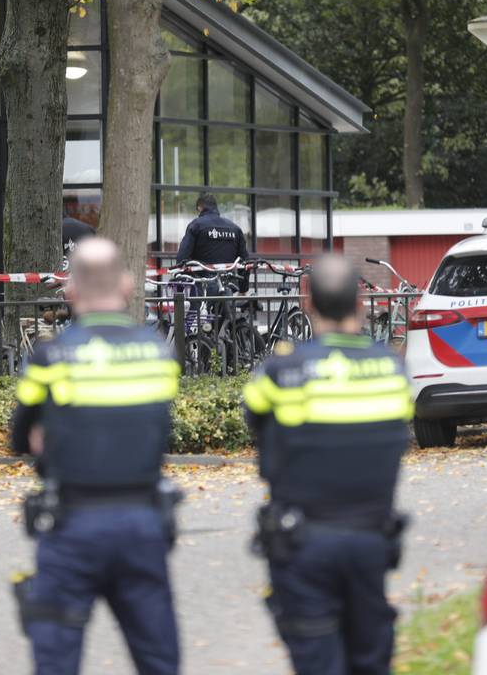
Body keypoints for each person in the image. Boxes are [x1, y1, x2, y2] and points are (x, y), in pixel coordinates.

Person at [9, 237, 183, 675]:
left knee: (56, 658)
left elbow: (20, 437)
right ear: (126, 287)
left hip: (71, 525)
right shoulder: (157, 354)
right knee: (158, 658)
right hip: (142, 525)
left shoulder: (51, 358)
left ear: (70, 292)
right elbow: (159, 428)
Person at [242, 255, 413, 675]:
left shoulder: (281, 371)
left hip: (303, 543)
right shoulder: (392, 370)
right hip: (371, 541)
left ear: (308, 300)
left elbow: (255, 418)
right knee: (370, 661)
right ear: (359, 300)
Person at [175, 194, 249, 292]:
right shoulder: (235, 229)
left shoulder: (196, 225)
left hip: (203, 286)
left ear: (200, 207)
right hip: (228, 285)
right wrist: (243, 288)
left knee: (196, 307)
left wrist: (181, 281)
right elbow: (245, 261)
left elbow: (182, 258)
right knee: (227, 306)